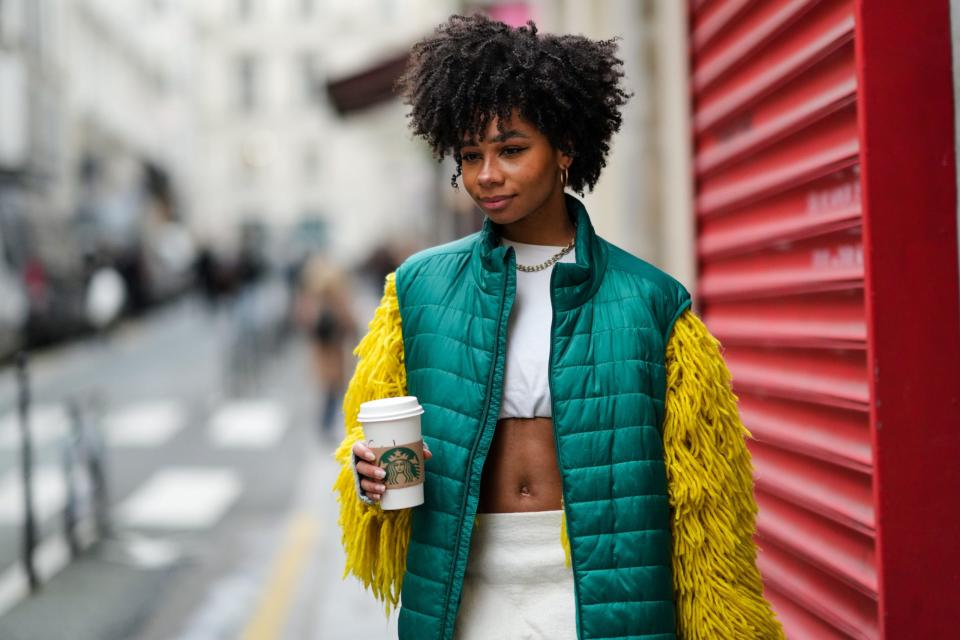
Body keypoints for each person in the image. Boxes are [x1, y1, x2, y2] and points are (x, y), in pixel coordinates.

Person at [334, 14, 784, 640]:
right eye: (470, 155)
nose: (486, 175)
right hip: (465, 590)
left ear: (565, 150)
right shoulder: (417, 290)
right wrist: (369, 478)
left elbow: (708, 515)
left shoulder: (653, 302)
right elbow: (376, 456)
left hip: (603, 595)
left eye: (511, 149)